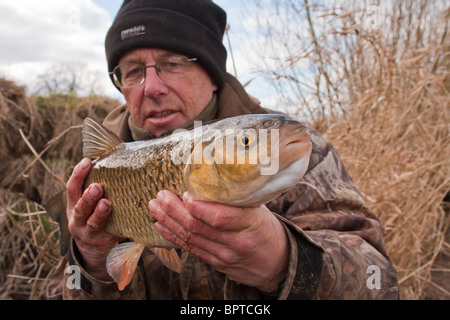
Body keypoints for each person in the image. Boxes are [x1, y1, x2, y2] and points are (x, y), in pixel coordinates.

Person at [47, 0, 399, 300]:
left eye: (173, 63)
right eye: (133, 70)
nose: (151, 86)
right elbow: (54, 290)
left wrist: (283, 262)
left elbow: (381, 282)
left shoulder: (286, 152)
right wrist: (91, 259)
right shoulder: (93, 171)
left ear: (213, 74)